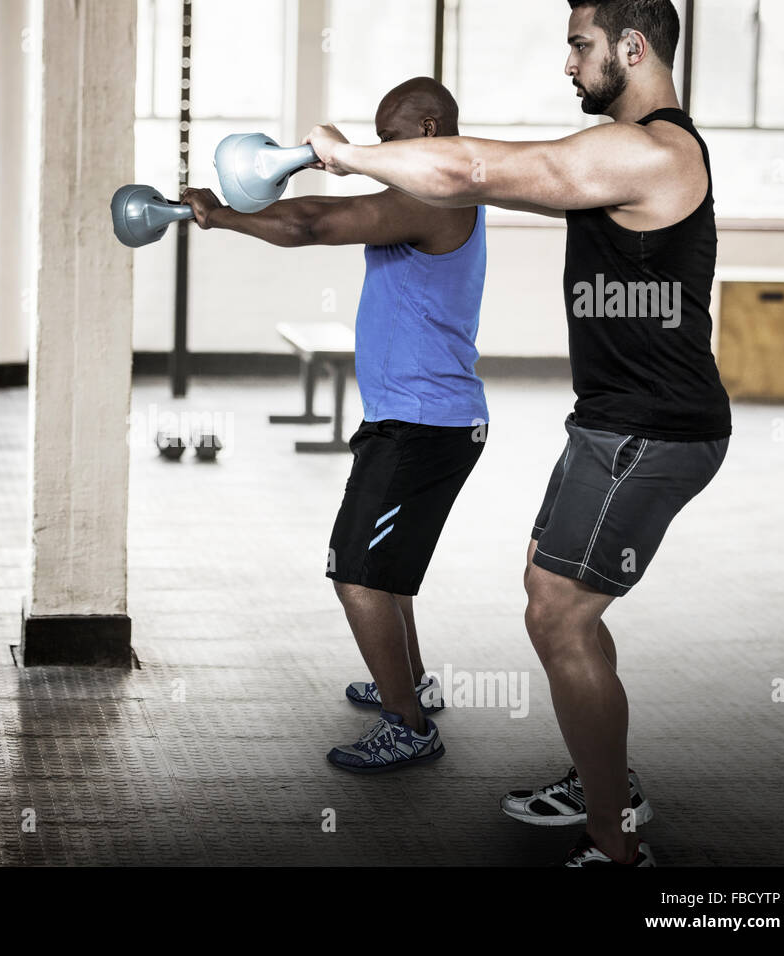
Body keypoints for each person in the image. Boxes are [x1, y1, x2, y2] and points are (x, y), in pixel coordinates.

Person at [303, 0, 730, 866]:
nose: (568, 65)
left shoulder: (653, 149)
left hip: (652, 431)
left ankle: (614, 844)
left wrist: (348, 153)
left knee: (557, 616)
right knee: (557, 603)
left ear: (633, 47)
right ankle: (602, 773)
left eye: (580, 47)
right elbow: (480, 173)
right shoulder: (623, 158)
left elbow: (466, 169)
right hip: (611, 424)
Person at [182, 77, 489, 773]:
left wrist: (221, 215)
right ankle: (408, 683)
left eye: (393, 140)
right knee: (390, 574)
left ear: (432, 129)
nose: (385, 153)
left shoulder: (433, 196)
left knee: (355, 573)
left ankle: (407, 725)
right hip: (416, 420)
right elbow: (334, 209)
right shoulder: (427, 195)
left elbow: (310, 224)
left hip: (423, 426)